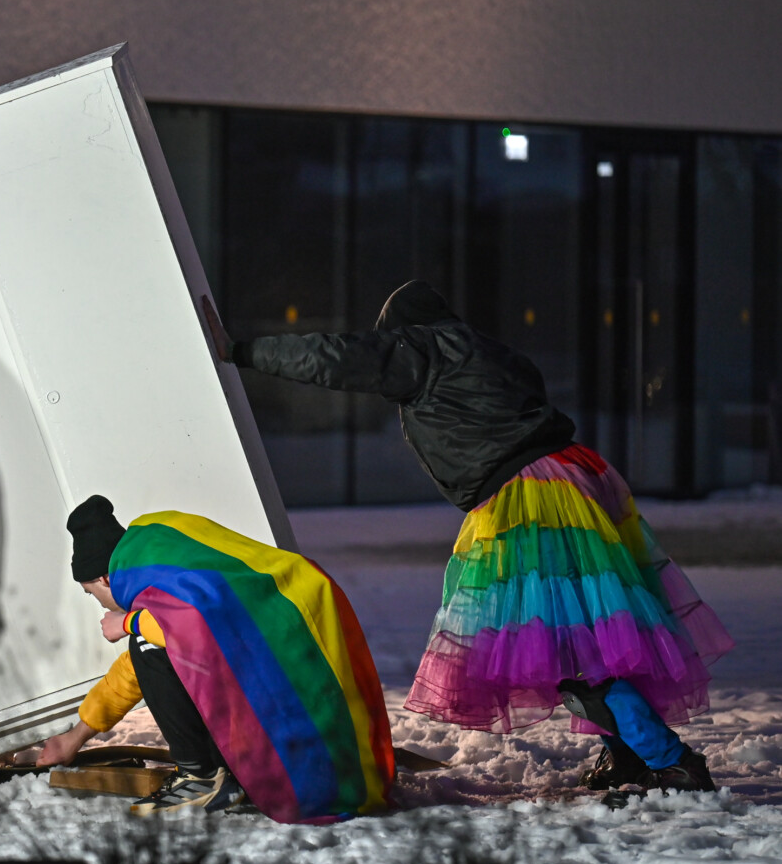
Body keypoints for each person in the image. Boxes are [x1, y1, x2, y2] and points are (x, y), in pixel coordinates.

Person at [202, 281, 735, 793]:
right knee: (586, 630)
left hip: (532, 494)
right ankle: (633, 756)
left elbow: (334, 357)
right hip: (574, 474)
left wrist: (241, 351)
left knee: (572, 646)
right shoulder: (494, 353)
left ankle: (670, 762)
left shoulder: (424, 348)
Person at [39, 496, 394, 822]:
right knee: (149, 645)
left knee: (146, 643)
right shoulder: (161, 553)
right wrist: (76, 736)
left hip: (301, 730)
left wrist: (128, 622)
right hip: (310, 705)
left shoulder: (146, 580)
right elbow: (139, 668)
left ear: (104, 577)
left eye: (91, 594)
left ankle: (203, 777)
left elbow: (186, 625)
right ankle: (232, 772)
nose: (99, 604)